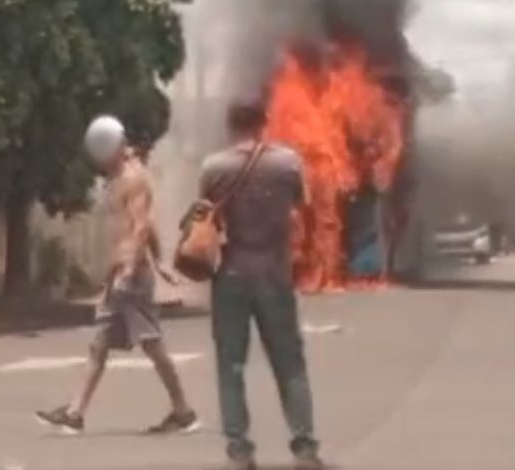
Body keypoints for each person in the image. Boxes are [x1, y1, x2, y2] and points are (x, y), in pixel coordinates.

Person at [36, 115, 198, 438]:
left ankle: (183, 412)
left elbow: (139, 227)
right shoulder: (119, 178)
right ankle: (75, 413)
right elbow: (147, 227)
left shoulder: (133, 179)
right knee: (102, 345)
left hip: (130, 276)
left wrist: (129, 269)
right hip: (122, 273)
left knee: (151, 345)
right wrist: (159, 261)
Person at [200, 98, 322, 470]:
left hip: (232, 273)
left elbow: (206, 220)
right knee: (290, 364)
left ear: (229, 124)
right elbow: (305, 210)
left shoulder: (214, 167)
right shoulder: (288, 163)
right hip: (274, 270)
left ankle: (239, 451)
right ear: (264, 122)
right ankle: (304, 449)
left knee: (231, 365)